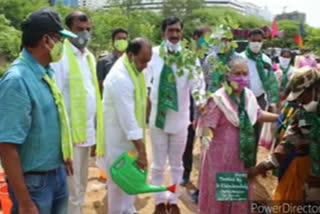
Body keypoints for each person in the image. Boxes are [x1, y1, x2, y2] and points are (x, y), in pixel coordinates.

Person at [0, 8, 76, 214]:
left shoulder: (45, 73)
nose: (63, 46)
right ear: (46, 41)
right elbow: (7, 146)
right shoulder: (17, 81)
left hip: (56, 173)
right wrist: (25, 202)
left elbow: (48, 121)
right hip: (34, 184)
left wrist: (62, 154)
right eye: (60, 39)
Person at [198, 58, 278, 214]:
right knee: (221, 195)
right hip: (219, 159)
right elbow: (207, 126)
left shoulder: (249, 96)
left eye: (245, 74)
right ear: (228, 75)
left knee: (237, 194)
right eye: (237, 73)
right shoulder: (218, 99)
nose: (241, 77)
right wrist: (205, 142)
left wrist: (280, 118)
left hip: (242, 157)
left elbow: (257, 114)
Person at [146, 17, 206, 214]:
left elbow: (198, 85)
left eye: (178, 30)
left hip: (181, 119)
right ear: (163, 32)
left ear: (182, 33)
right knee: (157, 164)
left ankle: (172, 199)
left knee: (177, 164)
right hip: (158, 117)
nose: (174, 34)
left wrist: (201, 103)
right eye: (170, 30)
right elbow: (144, 82)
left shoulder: (189, 57)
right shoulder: (152, 54)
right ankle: (158, 201)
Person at [51, 10, 104, 214]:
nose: (85, 34)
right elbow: (56, 98)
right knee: (70, 189)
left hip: (86, 134)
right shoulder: (61, 56)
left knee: (81, 184)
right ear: (68, 31)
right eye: (79, 29)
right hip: (69, 138)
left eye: (88, 29)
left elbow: (92, 95)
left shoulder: (88, 57)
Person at [250, 67, 320, 211]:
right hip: (312, 180)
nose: (299, 100)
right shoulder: (302, 113)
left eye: (302, 95)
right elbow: (288, 144)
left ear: (315, 89)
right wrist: (262, 167)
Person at [101, 38, 152, 214]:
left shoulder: (134, 70)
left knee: (131, 180)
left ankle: (129, 210)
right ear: (131, 55)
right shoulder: (120, 78)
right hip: (118, 139)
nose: (146, 66)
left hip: (130, 139)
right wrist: (143, 151)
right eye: (143, 61)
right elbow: (128, 119)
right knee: (117, 183)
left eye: (148, 61)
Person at [203, 28, 241, 93]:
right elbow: (205, 80)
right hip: (212, 96)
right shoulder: (210, 59)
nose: (225, 43)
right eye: (222, 39)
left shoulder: (239, 60)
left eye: (228, 40)